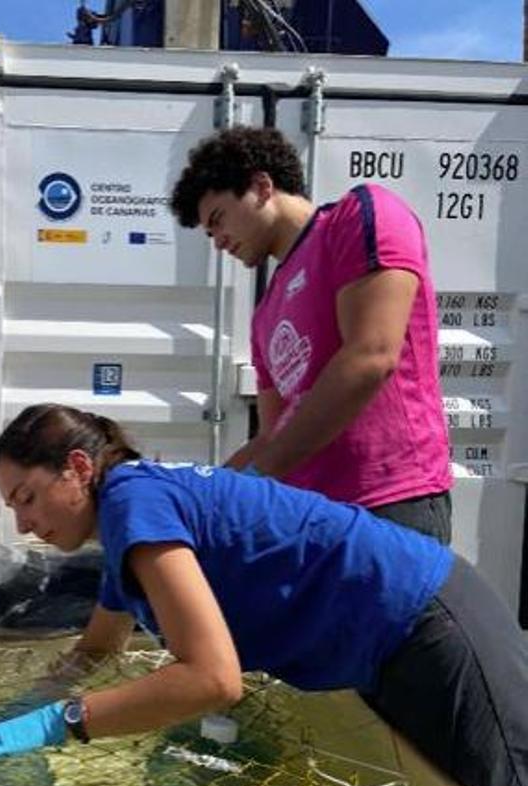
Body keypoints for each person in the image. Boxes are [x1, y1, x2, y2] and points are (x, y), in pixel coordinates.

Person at [0, 404, 528, 786]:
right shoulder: (127, 526)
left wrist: (59, 721)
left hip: (431, 619)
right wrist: (16, 710)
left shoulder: (133, 503)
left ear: (79, 469)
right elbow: (97, 647)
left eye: (28, 498)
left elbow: (213, 679)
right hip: (396, 639)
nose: (24, 523)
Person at [170, 126, 452, 543]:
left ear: (262, 186)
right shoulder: (265, 314)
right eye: (209, 234)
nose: (218, 243)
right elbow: (271, 436)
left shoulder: (361, 215)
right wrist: (199, 494)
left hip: (391, 504)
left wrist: (254, 478)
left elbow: (371, 355)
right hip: (316, 520)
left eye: (219, 220)